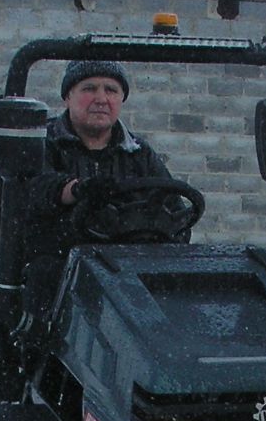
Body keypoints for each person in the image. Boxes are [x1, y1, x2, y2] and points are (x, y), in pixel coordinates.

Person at [15, 59, 181, 310]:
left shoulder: (139, 153)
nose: (101, 98)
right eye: (89, 88)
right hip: (60, 264)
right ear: (68, 96)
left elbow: (173, 206)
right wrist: (77, 189)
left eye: (111, 90)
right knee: (46, 274)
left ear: (121, 99)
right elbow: (37, 189)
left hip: (126, 267)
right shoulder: (43, 144)